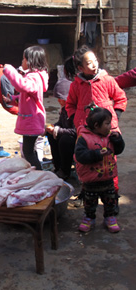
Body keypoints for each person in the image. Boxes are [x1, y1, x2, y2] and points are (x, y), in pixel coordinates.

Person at [65, 45, 127, 210]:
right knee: (84, 162)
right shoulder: (76, 85)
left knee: (109, 162)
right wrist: (75, 119)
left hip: (108, 129)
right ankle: (87, 194)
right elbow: (70, 104)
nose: (94, 64)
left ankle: (113, 196)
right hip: (85, 132)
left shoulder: (107, 80)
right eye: (89, 63)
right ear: (80, 68)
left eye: (95, 61)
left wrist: (115, 117)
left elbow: (120, 98)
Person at [75, 103, 125, 233]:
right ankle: (89, 218)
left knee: (110, 200)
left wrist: (118, 140)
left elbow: (119, 150)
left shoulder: (111, 136)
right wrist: (96, 154)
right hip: (90, 180)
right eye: (107, 124)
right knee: (89, 201)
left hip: (108, 177)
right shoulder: (83, 138)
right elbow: (80, 156)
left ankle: (110, 217)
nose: (110, 126)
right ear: (97, 126)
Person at [3, 45, 49, 170]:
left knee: (28, 153)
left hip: (31, 121)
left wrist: (9, 70)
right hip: (31, 120)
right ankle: (37, 173)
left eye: (23, 59)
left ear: (30, 62)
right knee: (30, 151)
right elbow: (26, 96)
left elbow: (22, 86)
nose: (22, 62)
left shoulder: (33, 77)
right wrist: (12, 99)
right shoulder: (36, 76)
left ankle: (39, 175)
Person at [46, 63, 76, 180]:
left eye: (62, 98)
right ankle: (57, 165)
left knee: (65, 140)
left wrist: (58, 130)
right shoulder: (64, 109)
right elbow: (61, 122)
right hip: (66, 132)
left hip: (75, 138)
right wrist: (54, 127)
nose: (59, 101)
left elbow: (75, 131)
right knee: (50, 134)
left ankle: (65, 170)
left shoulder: (76, 109)